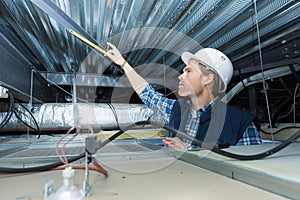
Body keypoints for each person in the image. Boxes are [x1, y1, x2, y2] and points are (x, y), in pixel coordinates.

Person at [105, 42, 262, 150]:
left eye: (188, 71)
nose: (181, 76)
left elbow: (253, 175)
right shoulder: (175, 109)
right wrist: (123, 64)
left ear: (208, 78)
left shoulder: (241, 124)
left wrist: (189, 152)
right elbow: (147, 93)